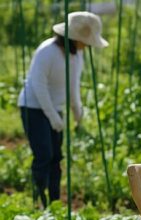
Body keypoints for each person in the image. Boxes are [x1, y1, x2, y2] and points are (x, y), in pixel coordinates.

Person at [18, 11, 108, 208]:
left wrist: (78, 114)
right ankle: (38, 201)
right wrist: (52, 117)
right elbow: (38, 86)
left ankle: (55, 203)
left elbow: (73, 87)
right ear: (75, 37)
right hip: (33, 106)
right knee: (44, 155)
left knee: (57, 157)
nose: (88, 45)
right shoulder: (47, 51)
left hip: (54, 109)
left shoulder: (77, 56)